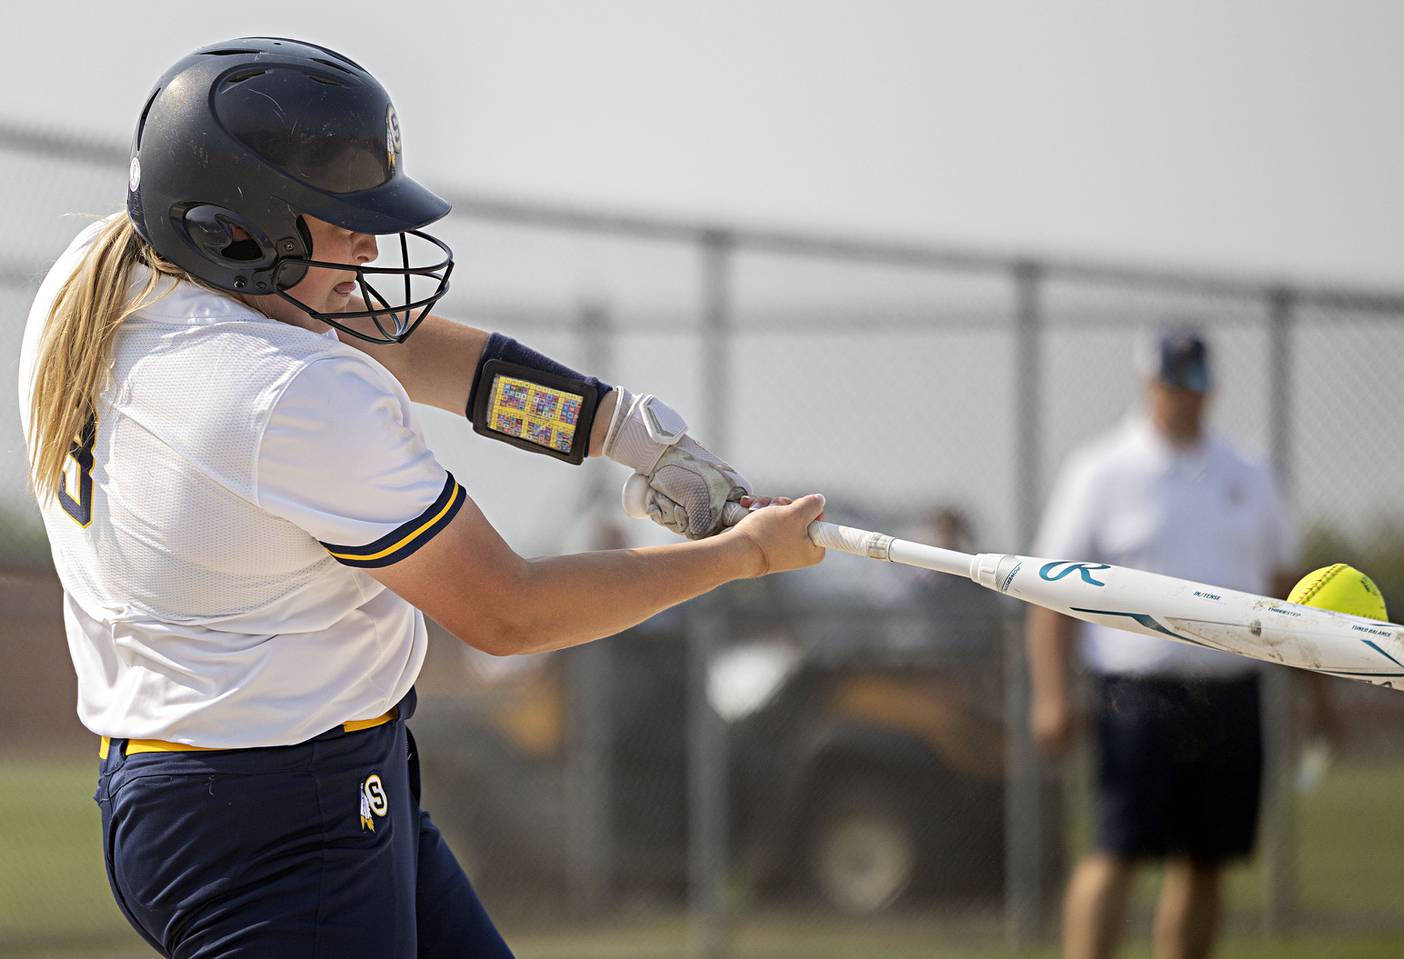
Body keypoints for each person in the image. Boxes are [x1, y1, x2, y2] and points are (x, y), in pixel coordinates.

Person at [18, 38, 825, 958]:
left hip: (239, 793)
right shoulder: (287, 395)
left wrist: (619, 427)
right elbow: (508, 611)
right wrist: (741, 556)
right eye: (338, 216)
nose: (369, 241)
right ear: (232, 231)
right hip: (279, 818)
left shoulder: (103, 277)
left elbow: (396, 345)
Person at [1026, 329, 1321, 959]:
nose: (1183, 397)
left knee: (1206, 859)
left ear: (1210, 388)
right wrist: (1050, 695)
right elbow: (1052, 592)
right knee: (1117, 848)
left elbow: (1287, 585)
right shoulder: (1101, 470)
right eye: (1171, 381)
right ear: (1148, 383)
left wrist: (1316, 691)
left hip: (1231, 689)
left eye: (1194, 382)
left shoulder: (1249, 471)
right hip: (1137, 693)